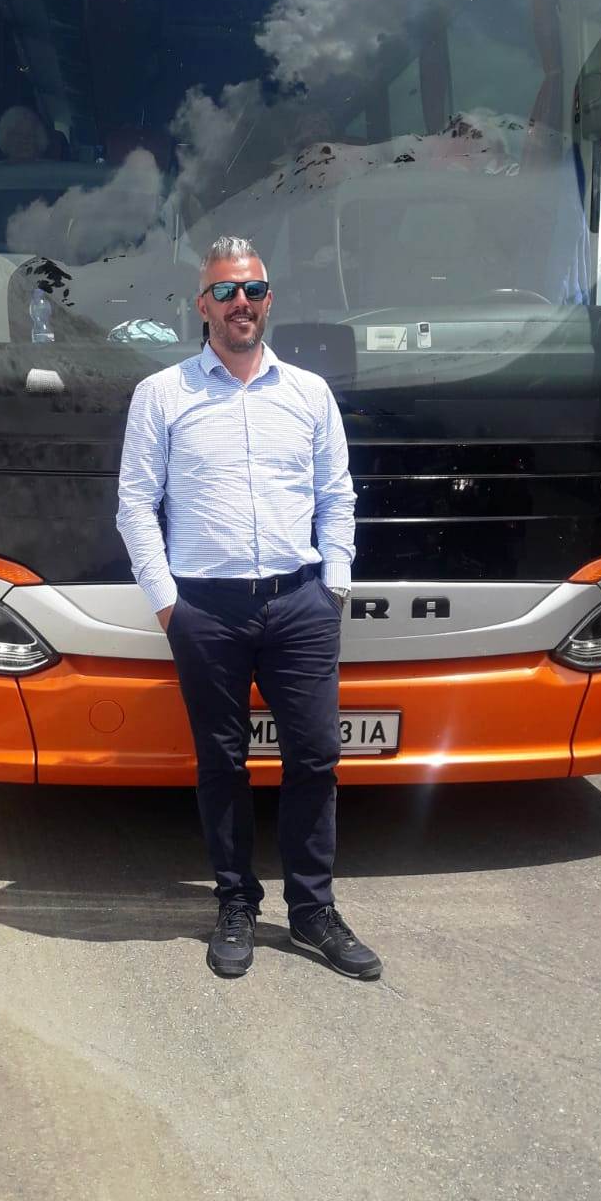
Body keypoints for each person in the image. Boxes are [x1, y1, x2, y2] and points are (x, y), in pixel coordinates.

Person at [115, 235, 382, 981]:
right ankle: (235, 904)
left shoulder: (308, 394)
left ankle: (313, 911)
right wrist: (168, 605)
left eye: (254, 290)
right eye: (227, 291)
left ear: (269, 302)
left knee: (315, 756)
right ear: (202, 305)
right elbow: (136, 505)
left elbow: (336, 496)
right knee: (222, 763)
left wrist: (333, 587)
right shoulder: (163, 395)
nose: (242, 303)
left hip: (300, 602)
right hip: (206, 610)